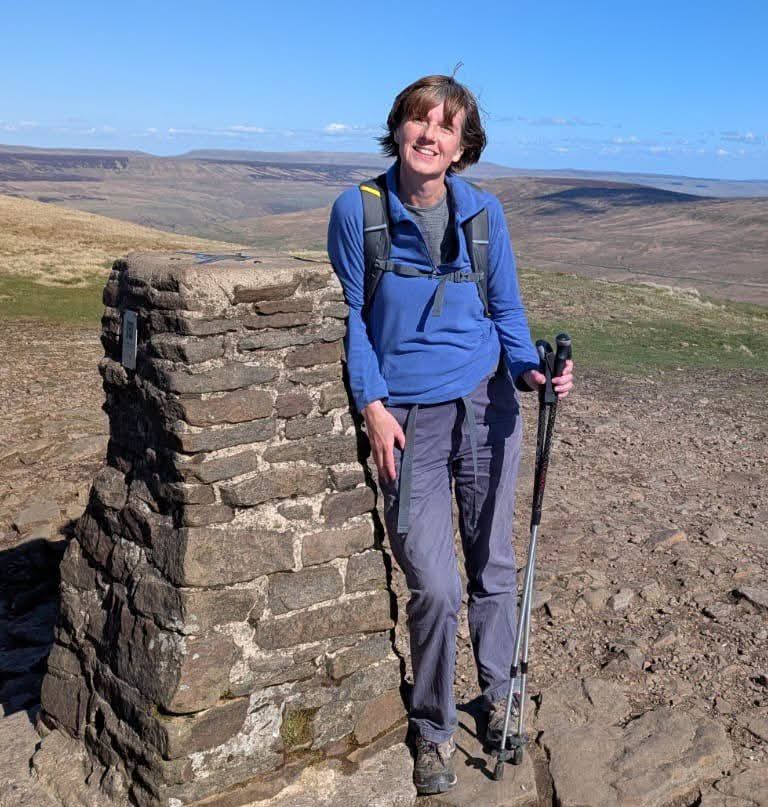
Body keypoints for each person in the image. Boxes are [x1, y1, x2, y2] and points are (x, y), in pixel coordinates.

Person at [327, 73, 574, 796]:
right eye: (418, 120)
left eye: (445, 126)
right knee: (435, 585)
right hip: (410, 420)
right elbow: (352, 319)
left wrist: (534, 374)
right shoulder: (359, 212)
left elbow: (508, 311)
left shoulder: (486, 216)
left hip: (489, 409)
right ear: (398, 128)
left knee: (493, 567)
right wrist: (372, 405)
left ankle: (499, 697)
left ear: (463, 145)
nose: (429, 135)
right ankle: (432, 727)